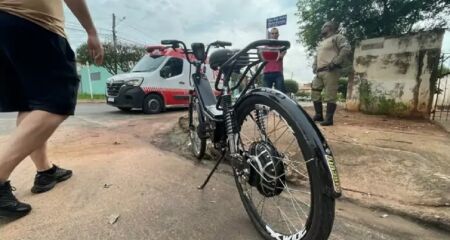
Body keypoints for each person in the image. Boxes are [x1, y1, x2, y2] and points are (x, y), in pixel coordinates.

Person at [0, 0, 104, 218]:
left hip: (6, 26)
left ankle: (45, 172)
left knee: (31, 103)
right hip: (35, 23)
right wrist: (91, 31)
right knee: (57, 99)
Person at [311, 21, 350, 126]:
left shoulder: (338, 37)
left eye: (324, 26)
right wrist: (314, 65)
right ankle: (319, 115)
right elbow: (317, 56)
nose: (322, 29)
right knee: (315, 91)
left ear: (329, 27)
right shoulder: (321, 42)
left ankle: (329, 119)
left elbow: (346, 48)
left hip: (331, 70)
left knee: (330, 95)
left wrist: (336, 61)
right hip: (319, 71)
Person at [263, 27, 287, 93]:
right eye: (272, 33)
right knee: (266, 94)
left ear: (278, 35)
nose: (274, 35)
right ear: (270, 35)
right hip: (267, 72)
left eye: (276, 33)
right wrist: (276, 53)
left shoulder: (282, 46)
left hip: (278, 72)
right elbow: (263, 57)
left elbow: (280, 56)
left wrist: (270, 54)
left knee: (280, 94)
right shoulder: (265, 46)